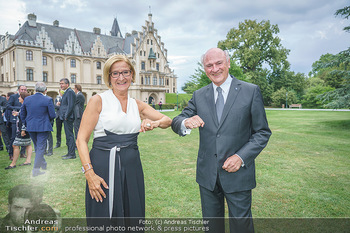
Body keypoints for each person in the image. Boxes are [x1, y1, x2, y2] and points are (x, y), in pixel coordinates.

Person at [171, 48, 271, 233]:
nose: (214, 69)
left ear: (228, 63)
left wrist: (240, 158)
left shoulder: (250, 91)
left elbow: (262, 132)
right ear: (204, 68)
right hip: (207, 175)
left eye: (219, 63)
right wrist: (186, 121)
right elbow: (177, 121)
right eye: (209, 65)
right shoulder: (199, 95)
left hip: (238, 175)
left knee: (242, 227)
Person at [76, 55, 172, 228]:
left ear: (132, 75)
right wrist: (89, 174)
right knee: (104, 217)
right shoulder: (98, 100)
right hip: (103, 168)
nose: (121, 78)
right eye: (115, 73)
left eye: (125, 72)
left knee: (132, 214)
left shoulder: (138, 104)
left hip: (132, 167)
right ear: (109, 77)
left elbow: (167, 120)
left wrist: (153, 123)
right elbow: (81, 140)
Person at [20, 82, 56, 177]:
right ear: (45, 90)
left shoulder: (27, 99)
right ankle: (36, 170)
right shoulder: (48, 99)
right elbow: (53, 115)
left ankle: (43, 164)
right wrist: (47, 120)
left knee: (37, 147)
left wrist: (26, 122)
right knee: (40, 148)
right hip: (43, 127)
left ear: (35, 89)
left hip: (31, 126)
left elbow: (22, 113)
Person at [5, 92, 32, 169]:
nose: (18, 98)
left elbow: (25, 120)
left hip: (22, 130)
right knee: (28, 144)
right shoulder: (26, 106)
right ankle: (28, 161)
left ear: (23, 98)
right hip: (25, 129)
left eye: (20, 97)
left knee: (15, 145)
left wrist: (23, 130)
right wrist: (18, 113)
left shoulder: (24, 107)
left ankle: (13, 164)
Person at [6, 85, 27, 161]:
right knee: (14, 137)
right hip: (15, 119)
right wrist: (20, 109)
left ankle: (22, 153)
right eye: (22, 89)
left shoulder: (27, 97)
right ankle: (11, 154)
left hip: (24, 119)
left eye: (25, 89)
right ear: (18, 90)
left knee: (24, 136)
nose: (23, 91)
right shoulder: (13, 97)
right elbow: (8, 106)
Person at [58, 78, 76, 160]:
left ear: (67, 84)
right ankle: (69, 153)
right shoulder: (67, 92)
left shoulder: (70, 92)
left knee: (70, 136)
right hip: (65, 117)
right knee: (68, 136)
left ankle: (72, 154)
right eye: (60, 84)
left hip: (68, 117)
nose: (61, 85)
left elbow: (70, 105)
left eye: (62, 83)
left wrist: (66, 116)